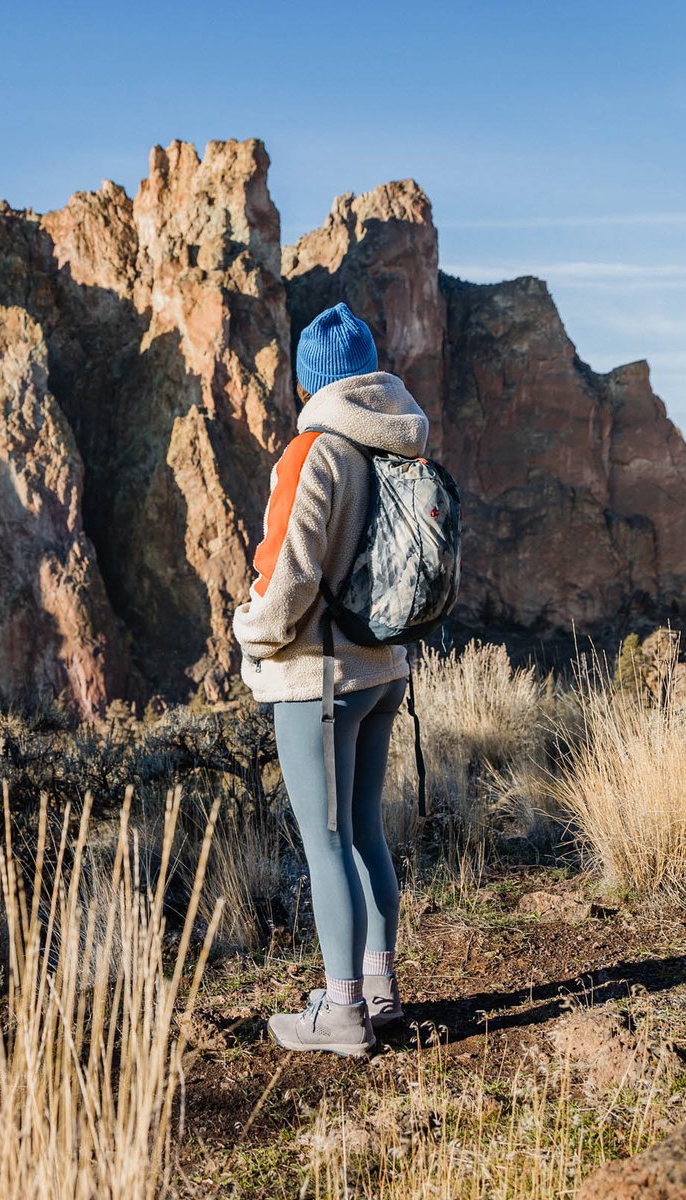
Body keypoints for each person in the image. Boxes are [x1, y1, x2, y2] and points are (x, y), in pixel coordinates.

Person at [231, 301, 429, 1057]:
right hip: (385, 670)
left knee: (326, 841)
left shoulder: (315, 450)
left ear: (311, 379)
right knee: (366, 831)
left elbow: (286, 581)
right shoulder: (396, 444)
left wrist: (248, 633)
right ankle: (379, 992)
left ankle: (341, 1013)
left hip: (318, 680)